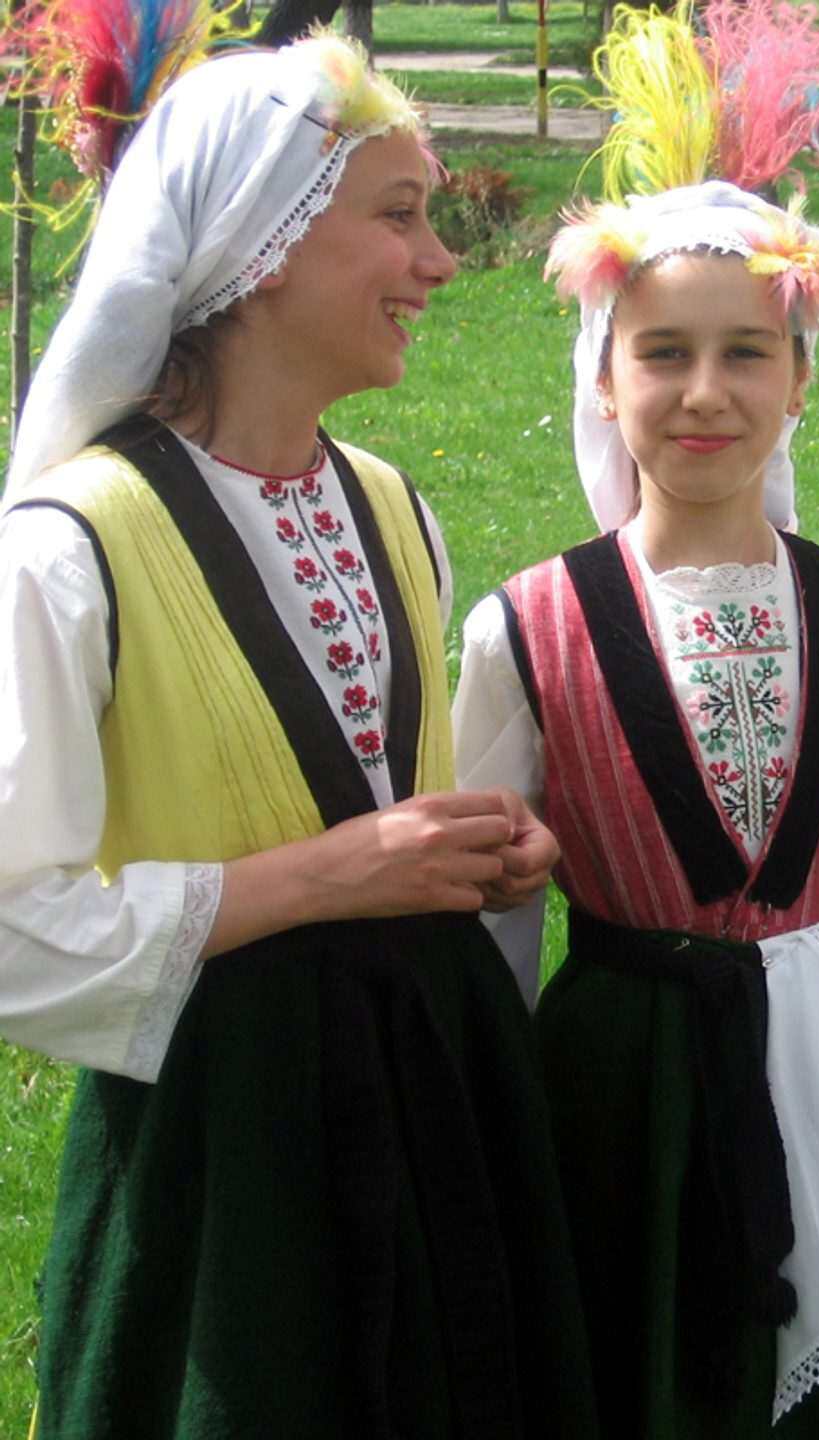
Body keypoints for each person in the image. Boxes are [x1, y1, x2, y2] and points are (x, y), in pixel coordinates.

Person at [0, 19, 598, 1440]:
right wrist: (328, 875)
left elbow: (376, 795)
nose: (440, 261)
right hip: (223, 1153)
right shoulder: (69, 550)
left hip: (433, 1098)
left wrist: (474, 853)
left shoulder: (390, 505)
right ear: (259, 245)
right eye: (397, 216)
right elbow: (16, 929)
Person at [450, 5, 819, 1435]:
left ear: (801, 377)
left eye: (747, 353)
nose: (703, 393)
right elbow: (489, 941)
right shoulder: (529, 629)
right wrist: (490, 1188)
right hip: (622, 1115)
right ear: (601, 378)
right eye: (662, 352)